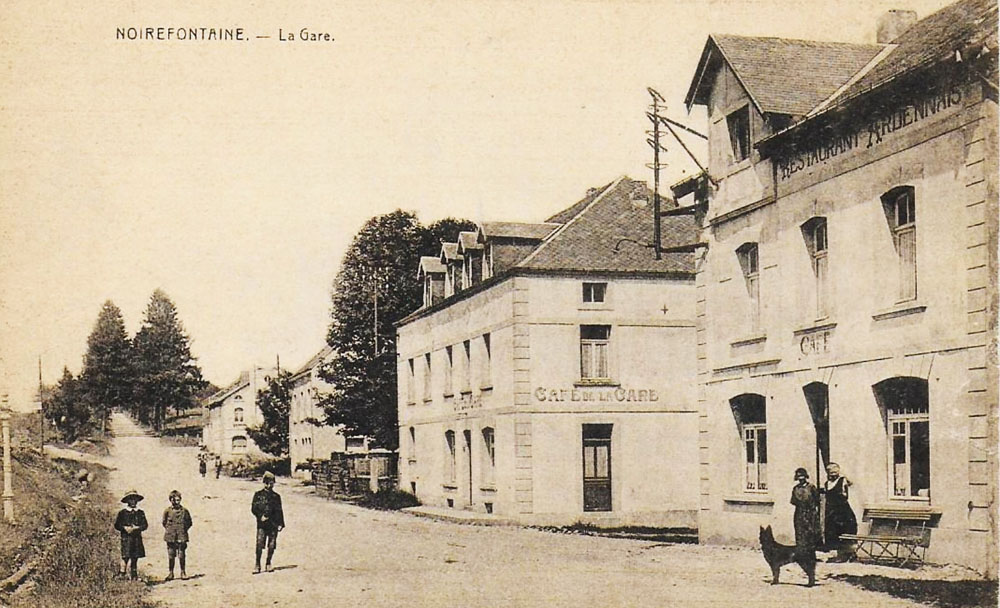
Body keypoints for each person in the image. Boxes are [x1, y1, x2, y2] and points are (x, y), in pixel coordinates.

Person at [821, 462, 858, 561]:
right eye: (831, 473)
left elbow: (851, 483)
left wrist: (844, 476)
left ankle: (849, 554)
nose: (833, 475)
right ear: (827, 473)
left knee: (846, 530)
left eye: (835, 472)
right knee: (832, 532)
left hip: (843, 511)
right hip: (831, 511)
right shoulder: (827, 484)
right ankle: (838, 555)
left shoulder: (842, 481)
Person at [251, 471, 285, 573]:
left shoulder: (276, 496)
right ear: (265, 483)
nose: (271, 485)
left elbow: (279, 510)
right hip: (262, 525)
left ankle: (268, 563)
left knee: (272, 545)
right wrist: (260, 516)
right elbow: (254, 508)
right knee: (259, 544)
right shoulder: (258, 495)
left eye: (272, 483)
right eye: (269, 483)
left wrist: (281, 524)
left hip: (273, 524)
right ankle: (257, 564)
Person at [114, 489, 148, 580]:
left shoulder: (140, 513)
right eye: (131, 499)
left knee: (135, 556)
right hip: (126, 538)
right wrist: (125, 528)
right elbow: (117, 525)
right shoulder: (122, 513)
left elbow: (145, 525)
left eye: (135, 499)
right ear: (127, 501)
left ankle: (134, 575)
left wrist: (137, 528)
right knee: (125, 556)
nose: (133, 501)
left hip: (136, 538)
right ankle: (122, 573)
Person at [790, 468, 820, 564]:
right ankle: (801, 555)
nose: (801, 478)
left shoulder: (811, 487)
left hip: (810, 513)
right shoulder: (795, 488)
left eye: (802, 476)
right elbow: (793, 501)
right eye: (799, 477)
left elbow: (817, 500)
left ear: (806, 477)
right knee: (800, 533)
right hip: (799, 513)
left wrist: (813, 511)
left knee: (810, 534)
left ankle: (811, 555)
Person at [162, 490, 193, 581]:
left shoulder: (184, 511)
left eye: (178, 500)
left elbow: (189, 522)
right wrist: (170, 530)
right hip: (170, 536)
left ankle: (183, 572)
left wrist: (183, 530)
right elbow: (164, 522)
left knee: (181, 554)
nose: (176, 502)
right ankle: (171, 573)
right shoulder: (167, 511)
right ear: (170, 500)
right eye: (173, 500)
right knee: (171, 555)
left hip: (181, 535)